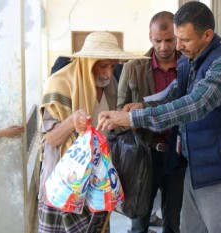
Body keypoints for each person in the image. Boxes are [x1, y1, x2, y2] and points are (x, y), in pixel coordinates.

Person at [97, 2, 221, 233]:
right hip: (197, 167)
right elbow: (173, 93)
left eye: (183, 40)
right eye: (175, 38)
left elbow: (194, 105)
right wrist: (138, 106)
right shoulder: (192, 61)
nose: (177, 46)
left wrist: (134, 118)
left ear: (207, 35)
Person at [38, 31, 148, 233]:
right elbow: (51, 139)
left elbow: (109, 130)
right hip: (64, 189)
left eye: (113, 66)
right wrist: (72, 121)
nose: (108, 73)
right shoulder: (60, 84)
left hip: (97, 186)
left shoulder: (110, 84)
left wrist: (123, 118)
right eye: (103, 65)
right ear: (88, 62)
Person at [117, 11, 186, 233]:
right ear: (150, 37)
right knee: (140, 219)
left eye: (170, 40)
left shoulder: (188, 67)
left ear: (177, 36)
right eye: (158, 40)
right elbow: (120, 112)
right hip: (144, 153)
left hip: (178, 153)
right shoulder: (132, 69)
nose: (164, 46)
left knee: (174, 220)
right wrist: (131, 119)